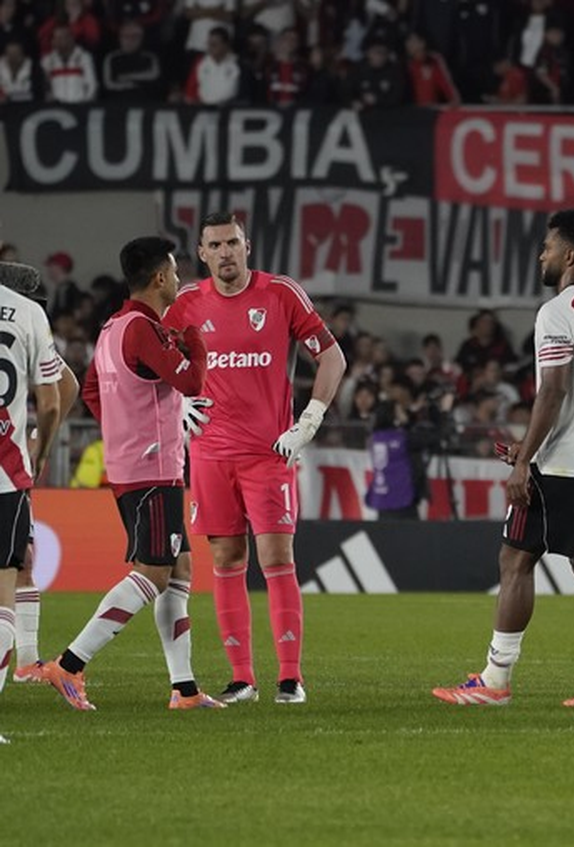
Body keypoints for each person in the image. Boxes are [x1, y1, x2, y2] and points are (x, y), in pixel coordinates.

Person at [432, 209, 574, 708]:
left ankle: (495, 681)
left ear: (570, 255)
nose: (541, 255)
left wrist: (526, 462)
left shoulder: (557, 310)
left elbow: (555, 390)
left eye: (547, 247)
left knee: (515, 560)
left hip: (563, 465)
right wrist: (528, 445)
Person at [164, 211, 347, 705]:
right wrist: (175, 401)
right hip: (209, 453)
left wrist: (310, 419)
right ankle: (242, 677)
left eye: (233, 243)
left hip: (270, 453)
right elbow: (145, 360)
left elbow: (332, 356)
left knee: (276, 558)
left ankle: (290, 677)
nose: (225, 252)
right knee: (226, 559)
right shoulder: (185, 305)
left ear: (248, 247)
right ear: (201, 254)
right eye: (215, 245)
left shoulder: (280, 294)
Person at [40, 238, 223, 711]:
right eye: (175, 271)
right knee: (155, 571)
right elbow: (192, 381)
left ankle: (183, 689)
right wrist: (197, 340)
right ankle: (72, 663)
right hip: (153, 469)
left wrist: (123, 428)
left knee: (178, 568)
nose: (180, 279)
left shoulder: (112, 327)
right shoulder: (144, 328)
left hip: (132, 465)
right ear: (160, 277)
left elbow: (92, 389)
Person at [0, 265, 68, 714]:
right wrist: (40, 447)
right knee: (10, 576)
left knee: (22, 563)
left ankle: (26, 661)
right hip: (7, 468)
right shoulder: (27, 315)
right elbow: (59, 395)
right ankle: (21, 661)